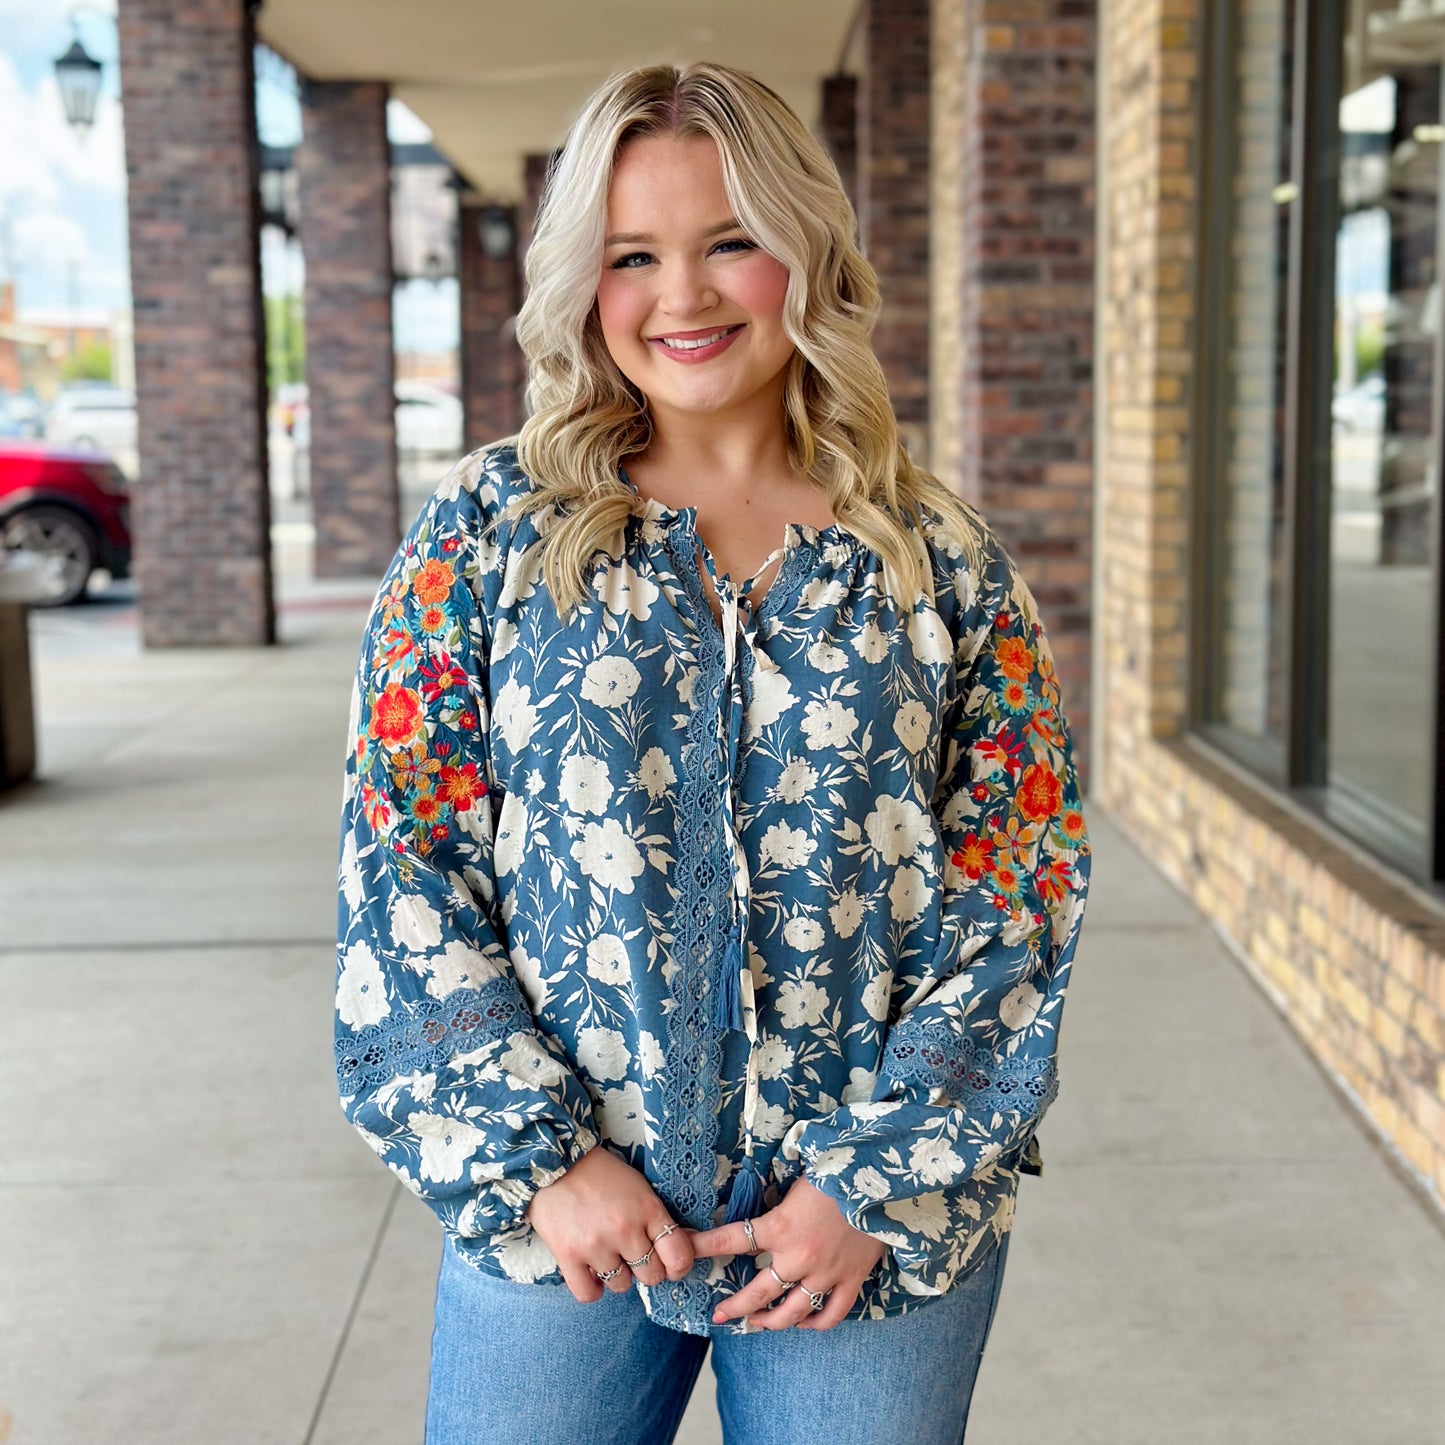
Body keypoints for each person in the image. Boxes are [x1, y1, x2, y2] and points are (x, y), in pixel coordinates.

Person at [333, 61, 1090, 1445]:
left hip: (852, 1239)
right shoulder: (491, 532)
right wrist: (543, 1160)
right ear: (584, 279)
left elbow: (1017, 882)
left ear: (807, 254)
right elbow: (403, 859)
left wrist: (876, 1181)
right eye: (633, 255)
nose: (680, 296)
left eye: (728, 241)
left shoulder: (936, 559)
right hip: (562, 1224)